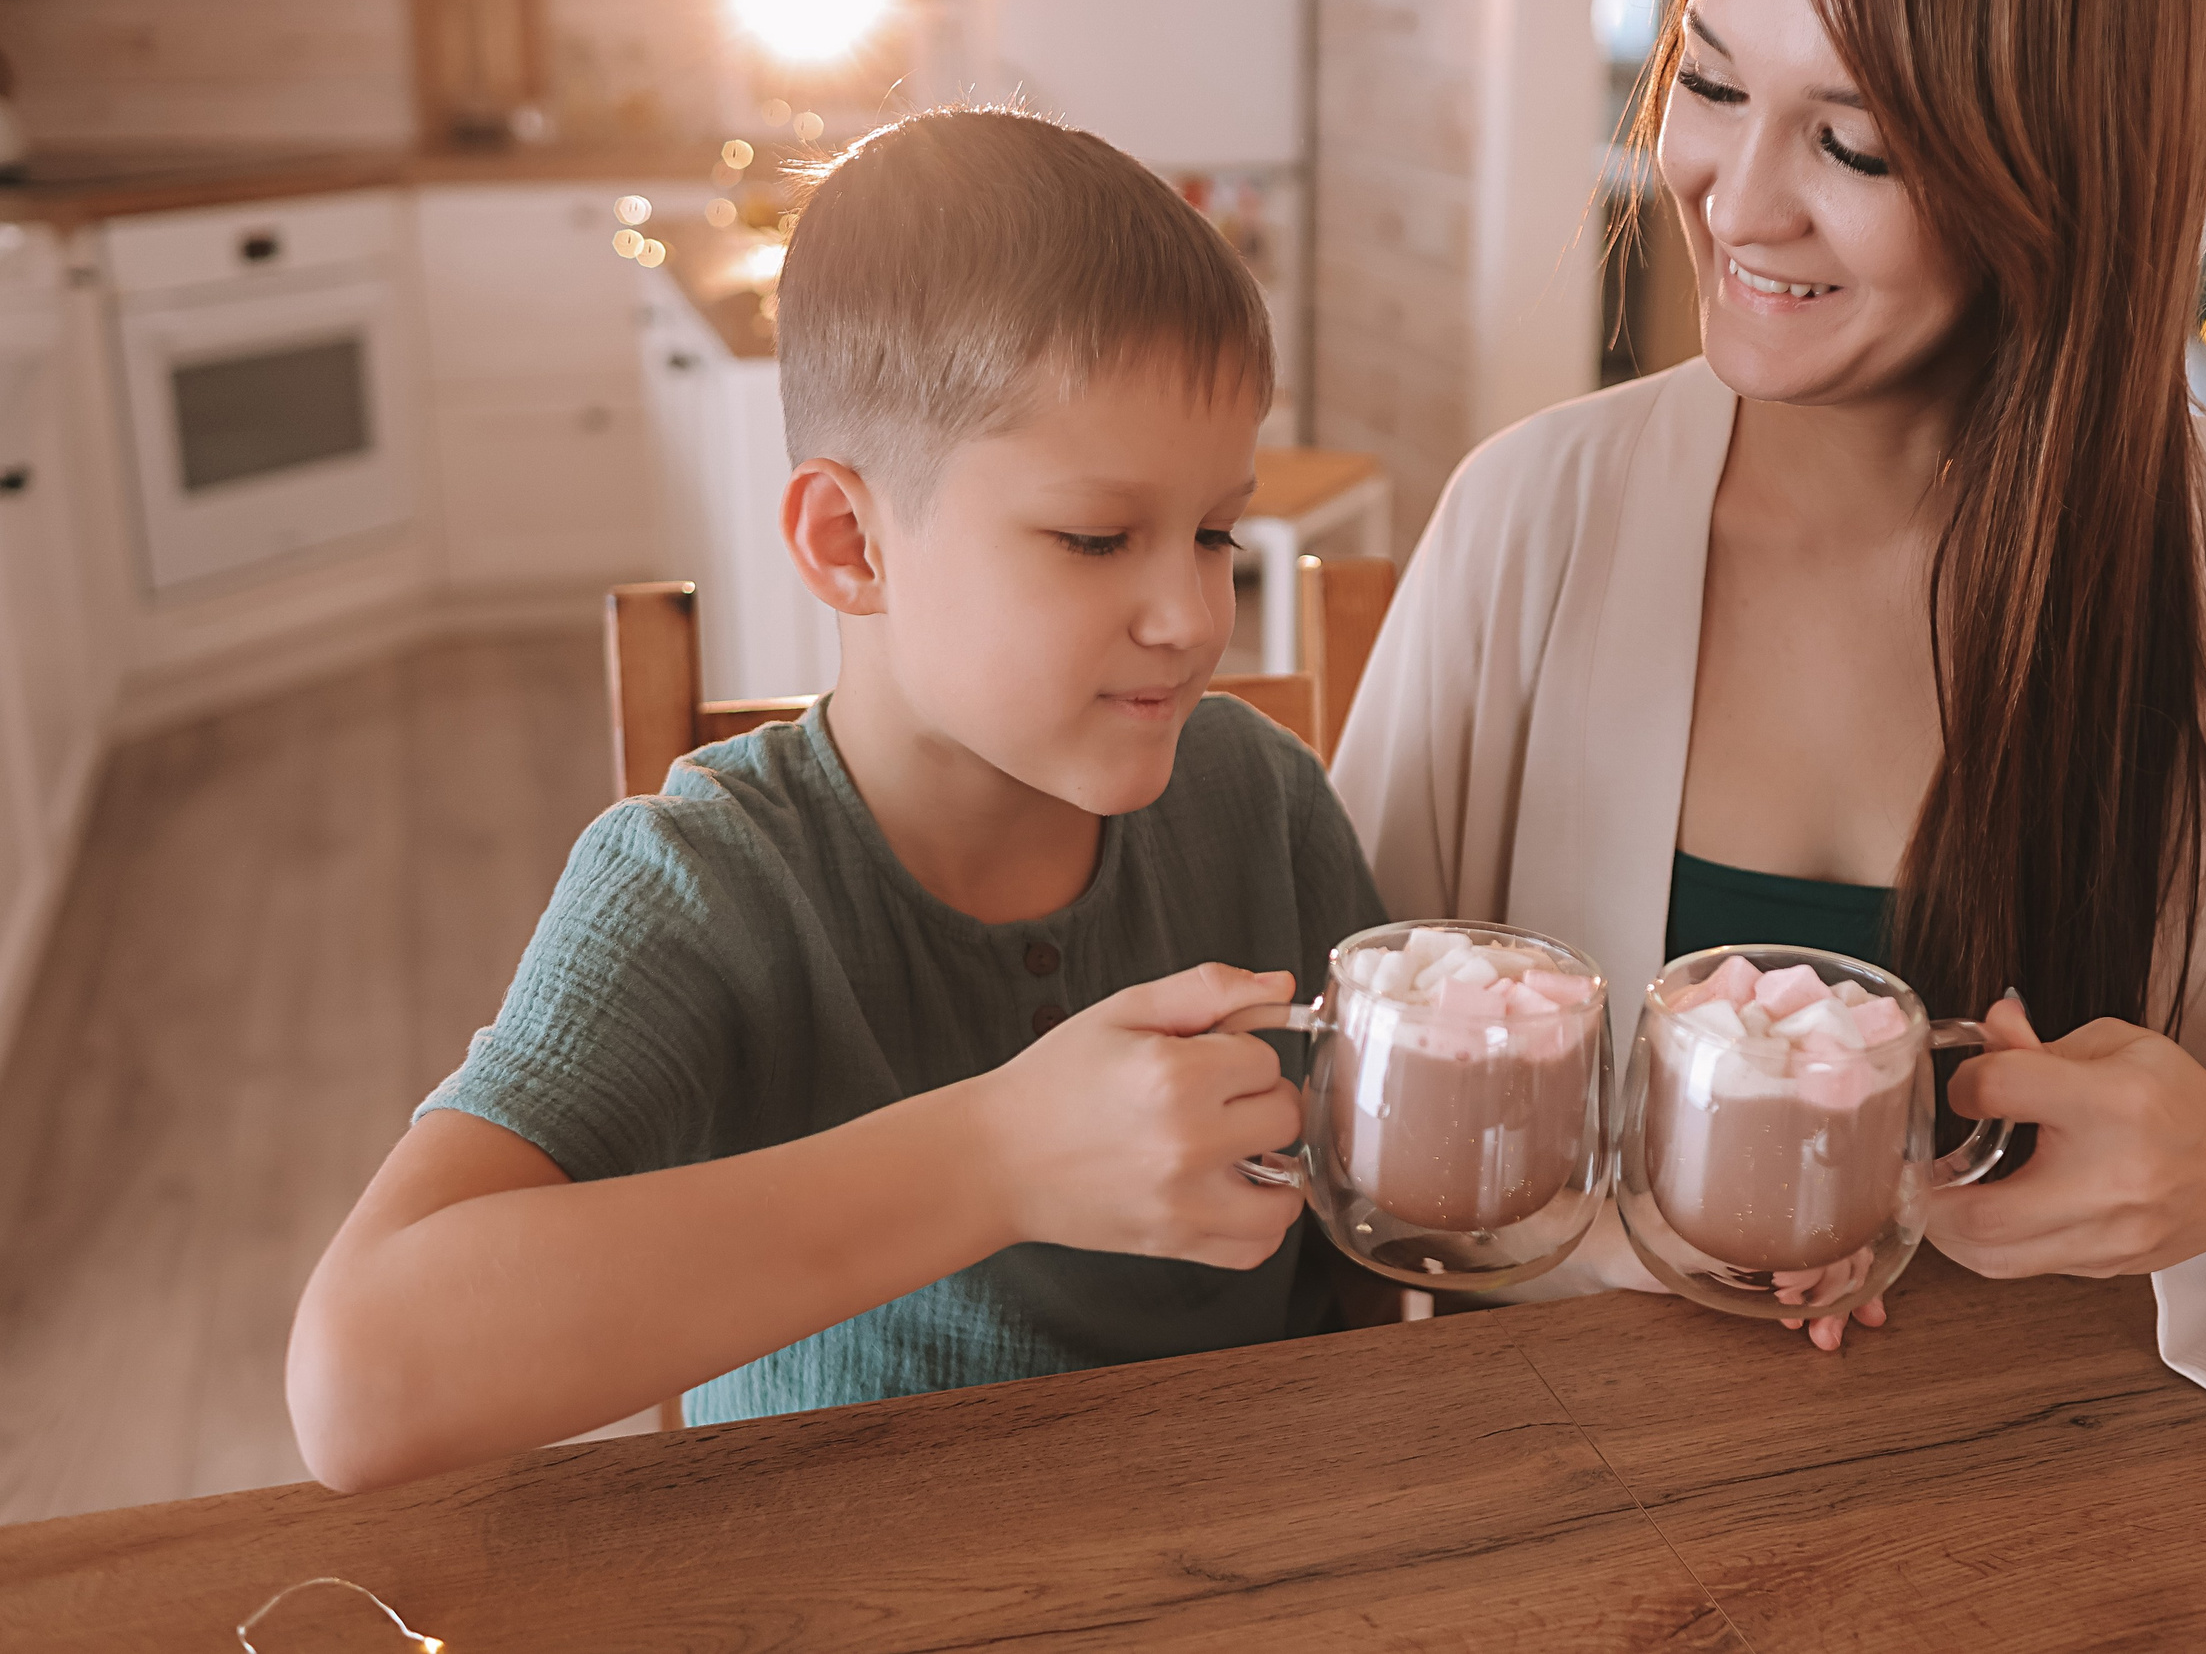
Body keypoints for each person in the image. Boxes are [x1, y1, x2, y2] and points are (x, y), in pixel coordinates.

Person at [1331, 0, 2206, 1533]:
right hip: (1585, 1518)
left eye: (1858, 146)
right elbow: (1347, 1128)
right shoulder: (1527, 519)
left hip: (2123, 1553)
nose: (1737, 199)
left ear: (2062, 172)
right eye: (1710, 85)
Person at [287, 108, 1384, 1493]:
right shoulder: (706, 887)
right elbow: (362, 1380)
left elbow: (1396, 1206)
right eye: (1098, 538)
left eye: (1215, 531)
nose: (1189, 613)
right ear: (850, 542)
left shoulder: (1260, 798)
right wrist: (996, 1158)